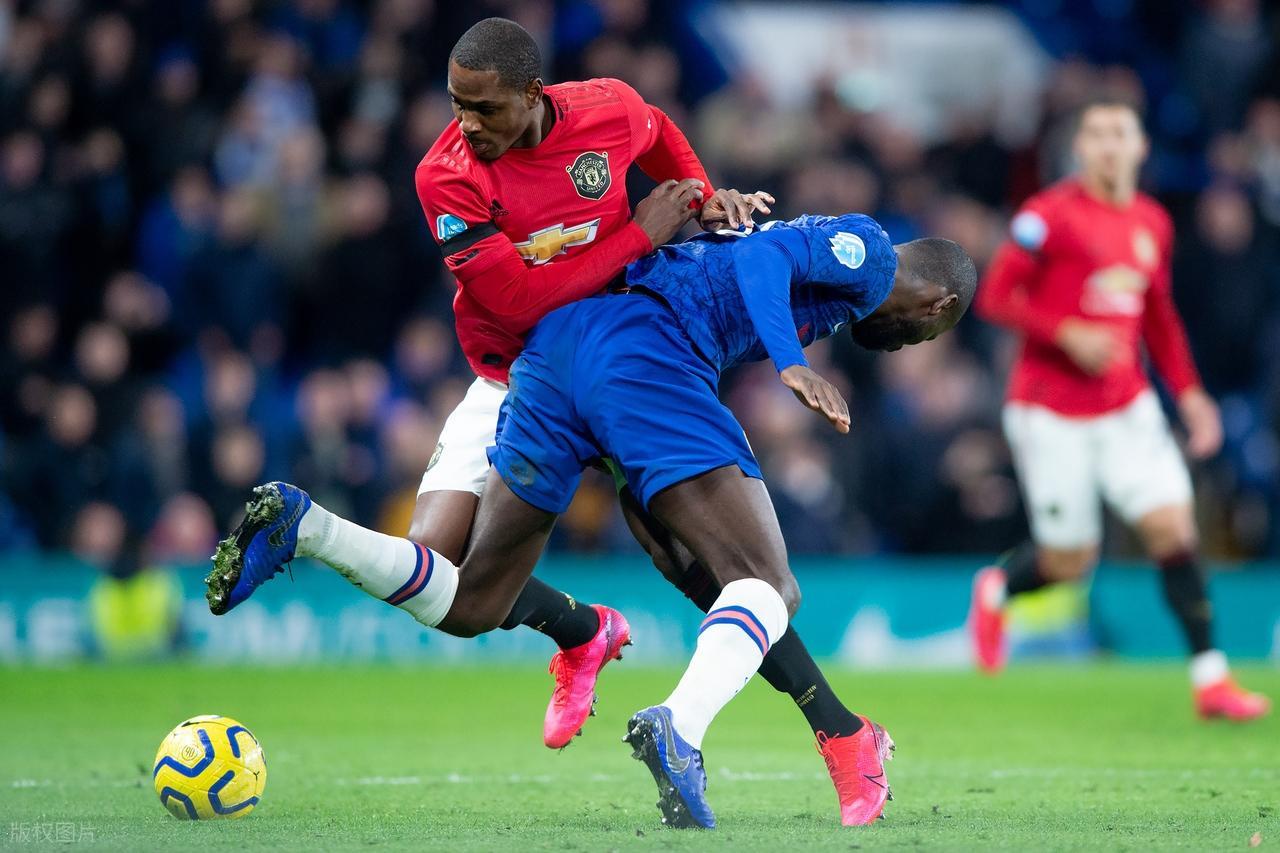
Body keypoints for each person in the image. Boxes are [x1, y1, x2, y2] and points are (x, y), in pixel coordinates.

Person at [206, 211, 978, 828]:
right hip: (645, 349)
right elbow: (763, 260)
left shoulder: (832, 287)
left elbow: (737, 249)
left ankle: (310, 528)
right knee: (767, 584)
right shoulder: (873, 257)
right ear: (939, 308)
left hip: (555, 351)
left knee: (480, 596)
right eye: (928, 334)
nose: (910, 344)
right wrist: (791, 362)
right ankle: (684, 725)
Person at [968, 98, 1269, 721]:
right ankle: (997, 588)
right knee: (1069, 562)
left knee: (1173, 529)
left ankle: (1211, 680)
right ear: (1079, 148)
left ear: (1140, 147)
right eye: (1097, 134)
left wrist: (1191, 395)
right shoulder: (1045, 216)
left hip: (1127, 405)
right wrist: (1066, 332)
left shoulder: (1152, 222)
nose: (1108, 145)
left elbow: (1158, 318)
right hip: (1049, 410)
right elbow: (995, 295)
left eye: (1120, 134)